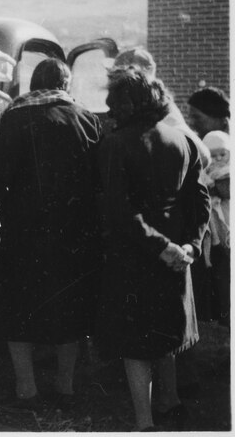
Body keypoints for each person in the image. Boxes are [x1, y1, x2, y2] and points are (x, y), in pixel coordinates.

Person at [0, 58, 102, 411]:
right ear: (66, 84)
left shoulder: (16, 117)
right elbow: (99, 179)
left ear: (34, 85)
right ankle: (65, 386)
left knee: (19, 307)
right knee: (71, 308)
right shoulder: (87, 118)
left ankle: (26, 388)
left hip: (26, 231)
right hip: (76, 231)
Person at [94, 69, 210, 431]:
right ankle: (170, 401)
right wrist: (189, 245)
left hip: (136, 256)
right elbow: (200, 202)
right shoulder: (184, 140)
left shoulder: (114, 144)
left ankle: (144, 422)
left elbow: (119, 210)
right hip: (177, 257)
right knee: (166, 332)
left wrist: (163, 248)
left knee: (135, 343)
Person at [202, 130, 230, 327]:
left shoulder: (229, 171)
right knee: (220, 272)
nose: (219, 159)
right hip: (215, 228)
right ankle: (224, 312)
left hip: (228, 222)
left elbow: (225, 190)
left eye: (223, 154)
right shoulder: (205, 174)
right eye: (213, 155)